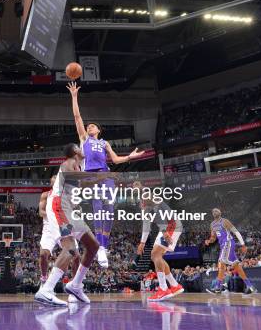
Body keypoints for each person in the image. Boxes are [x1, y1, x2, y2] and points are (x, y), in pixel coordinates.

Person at [67, 82, 144, 268]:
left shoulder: (104, 143)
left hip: (106, 175)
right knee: (97, 208)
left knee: (109, 208)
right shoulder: (84, 139)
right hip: (91, 177)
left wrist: (130, 157)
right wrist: (74, 97)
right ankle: (100, 246)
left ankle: (103, 247)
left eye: (92, 126)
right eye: (88, 126)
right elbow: (77, 117)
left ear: (98, 130)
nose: (89, 127)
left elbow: (116, 160)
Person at [34, 143, 100, 306]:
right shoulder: (69, 162)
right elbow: (81, 179)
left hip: (67, 210)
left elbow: (81, 185)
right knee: (70, 249)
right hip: (59, 208)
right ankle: (46, 289)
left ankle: (76, 285)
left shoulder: (76, 166)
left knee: (93, 246)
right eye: (79, 147)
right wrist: (103, 176)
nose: (82, 149)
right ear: (75, 151)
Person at [135, 181, 185, 301]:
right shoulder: (143, 205)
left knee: (155, 254)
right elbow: (146, 224)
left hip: (170, 225)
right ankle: (174, 285)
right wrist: (142, 242)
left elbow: (160, 213)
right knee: (156, 256)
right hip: (165, 226)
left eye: (137, 186)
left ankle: (163, 289)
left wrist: (164, 230)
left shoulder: (148, 196)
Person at [205, 208, 257, 295]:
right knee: (237, 267)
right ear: (212, 214)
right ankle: (250, 287)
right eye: (213, 211)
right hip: (223, 246)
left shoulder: (225, 221)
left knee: (221, 264)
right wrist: (209, 241)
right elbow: (213, 237)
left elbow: (236, 231)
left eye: (216, 210)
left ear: (220, 212)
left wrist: (243, 244)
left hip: (228, 243)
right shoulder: (212, 224)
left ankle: (217, 288)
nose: (215, 211)